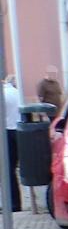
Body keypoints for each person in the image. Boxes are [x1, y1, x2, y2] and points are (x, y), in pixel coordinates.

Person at [3, 76, 21, 212]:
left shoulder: (3, 94)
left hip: (7, 132)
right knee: (13, 169)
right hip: (19, 131)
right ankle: (16, 203)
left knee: (7, 169)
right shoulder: (16, 92)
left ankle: (13, 204)